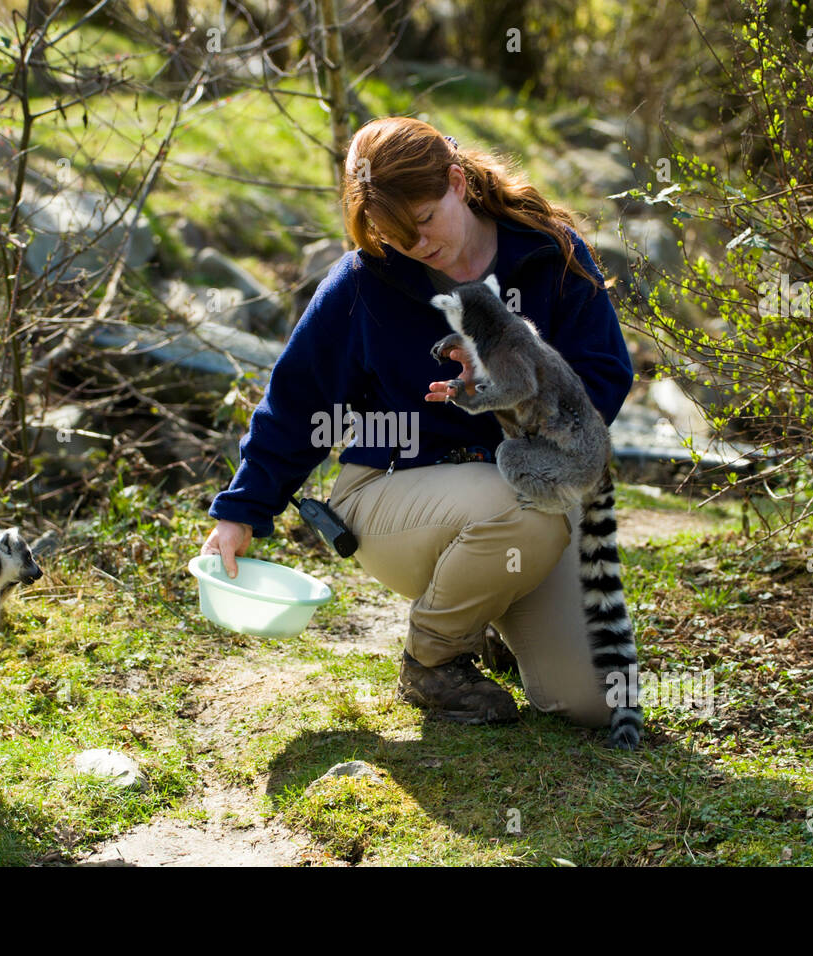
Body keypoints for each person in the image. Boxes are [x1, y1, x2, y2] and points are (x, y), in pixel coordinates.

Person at [200, 117, 633, 728]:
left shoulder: (549, 252)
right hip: (393, 493)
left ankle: (481, 608)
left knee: (595, 699)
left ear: (457, 182)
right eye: (395, 235)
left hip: (523, 498)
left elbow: (605, 376)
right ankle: (432, 661)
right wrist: (244, 507)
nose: (417, 245)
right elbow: (299, 399)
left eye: (425, 220)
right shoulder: (362, 282)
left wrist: (511, 385)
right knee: (511, 511)